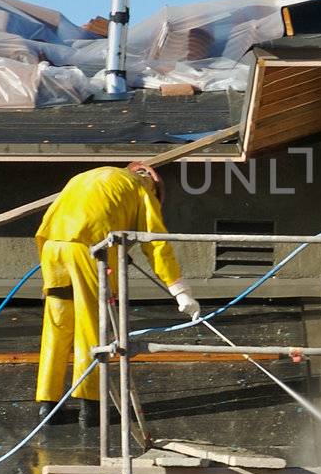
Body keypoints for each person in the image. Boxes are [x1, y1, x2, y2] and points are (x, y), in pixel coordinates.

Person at [34, 161, 200, 426]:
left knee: (57, 324)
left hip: (52, 247)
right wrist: (180, 291)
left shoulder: (89, 175)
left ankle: (47, 404)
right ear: (153, 184)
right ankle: (91, 406)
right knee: (93, 325)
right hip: (87, 249)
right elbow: (156, 244)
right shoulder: (142, 189)